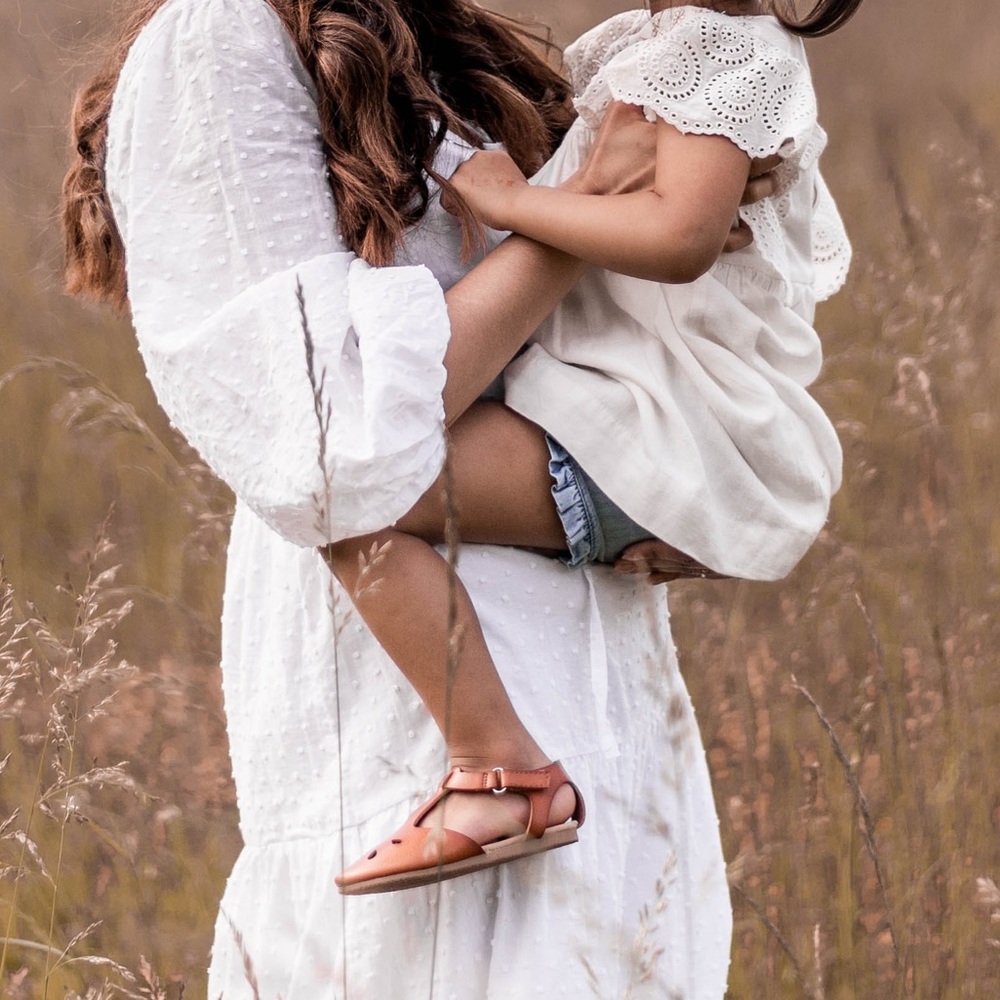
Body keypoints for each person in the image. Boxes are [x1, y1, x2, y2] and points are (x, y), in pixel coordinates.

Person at [61, 0, 781, 995]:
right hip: (413, 767)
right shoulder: (219, 38)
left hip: (598, 747)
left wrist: (661, 480)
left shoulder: (440, 39)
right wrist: (575, 213)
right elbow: (326, 426)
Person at [321, 0, 859, 896]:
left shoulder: (724, 50)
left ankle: (500, 772)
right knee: (352, 477)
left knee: (348, 487)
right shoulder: (654, 42)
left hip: (649, 421)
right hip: (619, 407)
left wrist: (513, 200)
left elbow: (683, 240)